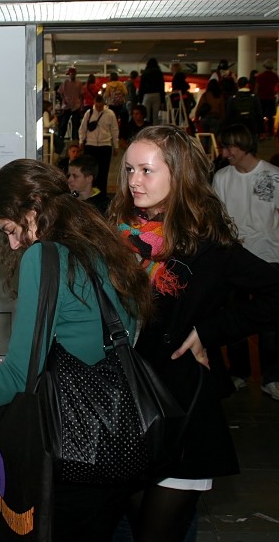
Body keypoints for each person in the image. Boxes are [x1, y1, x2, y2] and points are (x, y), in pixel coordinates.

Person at [0, 158, 152, 541]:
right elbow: (101, 337)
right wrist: (42, 363)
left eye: (12, 230)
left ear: (34, 210)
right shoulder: (97, 242)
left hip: (74, 447)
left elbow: (17, 377)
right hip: (116, 439)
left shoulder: (44, 257)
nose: (14, 243)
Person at [107, 125, 279, 542]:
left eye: (146, 171)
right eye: (129, 169)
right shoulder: (112, 233)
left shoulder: (206, 244)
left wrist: (210, 330)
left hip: (181, 411)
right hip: (120, 410)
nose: (133, 181)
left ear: (179, 174)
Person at [213, 123, 279, 400]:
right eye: (224, 146)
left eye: (229, 147)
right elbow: (217, 218)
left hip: (270, 256)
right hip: (234, 258)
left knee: (272, 321)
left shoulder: (273, 176)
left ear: (244, 145)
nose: (225, 152)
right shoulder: (221, 177)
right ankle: (238, 372)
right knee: (235, 318)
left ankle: (272, 377)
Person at [79, 93, 119, 196]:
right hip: (90, 145)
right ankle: (90, 192)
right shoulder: (89, 113)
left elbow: (114, 130)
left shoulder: (110, 114)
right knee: (90, 171)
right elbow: (83, 128)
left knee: (103, 172)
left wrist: (116, 145)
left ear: (104, 103)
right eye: (97, 105)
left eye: (100, 106)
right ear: (94, 103)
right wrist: (81, 141)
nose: (98, 108)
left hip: (105, 145)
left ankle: (102, 194)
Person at [223, 77, 263, 143]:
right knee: (251, 144)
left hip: (237, 126)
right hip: (251, 125)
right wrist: (261, 129)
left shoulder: (232, 98)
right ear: (247, 84)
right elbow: (259, 114)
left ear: (238, 85)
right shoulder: (254, 97)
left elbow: (228, 115)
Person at [57, 66, 85, 153]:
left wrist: (80, 103)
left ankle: (75, 138)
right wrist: (64, 99)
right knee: (64, 122)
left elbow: (81, 94)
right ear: (69, 74)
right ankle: (61, 137)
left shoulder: (79, 83)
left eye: (73, 74)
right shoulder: (65, 83)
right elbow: (60, 92)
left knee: (76, 123)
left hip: (75, 105)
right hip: (67, 105)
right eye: (71, 74)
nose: (72, 75)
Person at [255, 59, 279, 138]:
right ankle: (270, 132)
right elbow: (276, 88)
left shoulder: (260, 76)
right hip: (271, 98)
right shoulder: (275, 76)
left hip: (261, 98)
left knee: (261, 115)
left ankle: (261, 131)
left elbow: (257, 88)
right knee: (271, 116)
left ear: (264, 67)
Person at [138, 58, 165, 126]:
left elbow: (141, 87)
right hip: (157, 95)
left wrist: (140, 99)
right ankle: (155, 130)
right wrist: (162, 100)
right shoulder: (159, 73)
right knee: (155, 115)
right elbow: (162, 86)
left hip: (147, 95)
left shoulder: (145, 73)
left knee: (146, 115)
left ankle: (146, 129)